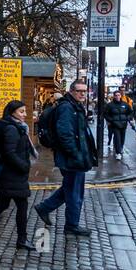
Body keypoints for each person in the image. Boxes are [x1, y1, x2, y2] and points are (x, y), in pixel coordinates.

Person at [35, 79, 98, 236]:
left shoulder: (74, 106)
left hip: (75, 157)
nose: (82, 94)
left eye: (84, 91)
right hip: (71, 158)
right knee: (75, 192)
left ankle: (44, 207)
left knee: (70, 188)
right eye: (79, 91)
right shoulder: (67, 108)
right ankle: (71, 225)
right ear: (71, 91)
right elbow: (65, 134)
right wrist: (76, 154)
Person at [0, 101, 37, 250]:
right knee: (22, 206)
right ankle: (22, 240)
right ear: (12, 112)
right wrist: (24, 166)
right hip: (13, 174)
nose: (25, 114)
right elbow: (9, 153)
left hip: (10, 174)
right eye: (21, 111)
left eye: (25, 111)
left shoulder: (14, 127)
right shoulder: (12, 129)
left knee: (2, 204)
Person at [103, 90, 133, 161]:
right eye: (116, 95)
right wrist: (111, 120)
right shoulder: (110, 105)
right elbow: (105, 114)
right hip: (115, 125)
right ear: (114, 96)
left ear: (120, 96)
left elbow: (131, 112)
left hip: (123, 124)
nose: (117, 97)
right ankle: (118, 153)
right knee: (117, 138)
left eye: (118, 95)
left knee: (122, 138)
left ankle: (121, 148)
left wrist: (127, 118)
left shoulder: (125, 104)